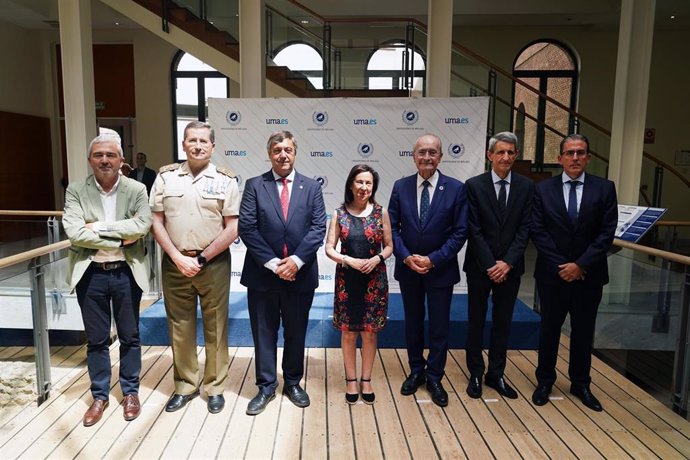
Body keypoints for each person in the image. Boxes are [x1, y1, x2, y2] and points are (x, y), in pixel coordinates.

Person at [150, 121, 240, 414]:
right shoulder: (166, 178)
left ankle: (214, 387)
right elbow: (156, 221)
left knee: (216, 326)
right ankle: (185, 386)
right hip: (175, 262)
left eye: (204, 141)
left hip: (212, 263)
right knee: (180, 325)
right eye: (192, 140)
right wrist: (177, 257)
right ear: (183, 144)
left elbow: (232, 227)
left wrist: (201, 259)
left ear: (213, 146)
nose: (198, 145)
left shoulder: (226, 180)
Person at [62, 131, 151, 427]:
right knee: (97, 341)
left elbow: (142, 225)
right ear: (90, 160)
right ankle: (99, 396)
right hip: (92, 276)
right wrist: (121, 237)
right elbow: (74, 232)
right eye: (98, 155)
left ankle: (130, 393)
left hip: (126, 272)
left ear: (121, 160)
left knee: (130, 337)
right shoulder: (76, 190)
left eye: (110, 155)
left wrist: (98, 228)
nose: (104, 160)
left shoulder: (137, 189)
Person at [239, 130, 326, 415]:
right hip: (263, 275)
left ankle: (292, 382)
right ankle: (265, 386)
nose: (283, 155)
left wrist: (296, 262)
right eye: (277, 150)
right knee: (263, 333)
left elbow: (317, 229)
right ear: (269, 154)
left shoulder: (311, 187)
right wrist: (276, 264)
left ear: (295, 153)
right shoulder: (255, 185)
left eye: (288, 149)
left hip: (300, 275)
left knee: (296, 331)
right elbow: (247, 229)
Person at [531, 133, 617, 412]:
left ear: (588, 157)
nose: (575, 158)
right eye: (570, 153)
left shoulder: (604, 189)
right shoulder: (543, 189)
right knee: (549, 329)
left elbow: (606, 232)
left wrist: (580, 265)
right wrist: (563, 266)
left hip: (588, 275)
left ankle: (580, 383)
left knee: (583, 331)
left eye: (580, 152)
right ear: (560, 158)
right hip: (552, 274)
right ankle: (545, 381)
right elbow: (538, 231)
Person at [388, 133, 468, 407]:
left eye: (432, 152)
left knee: (439, 326)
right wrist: (408, 257)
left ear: (440, 157)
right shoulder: (401, 187)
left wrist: (433, 259)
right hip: (409, 269)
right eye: (422, 152)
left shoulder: (456, 188)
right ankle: (416, 370)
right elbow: (393, 229)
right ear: (414, 156)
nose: (427, 157)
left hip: (440, 270)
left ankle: (435, 376)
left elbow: (460, 233)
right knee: (412, 323)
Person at [463, 132, 534, 400]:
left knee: (503, 322)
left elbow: (526, 227)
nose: (505, 157)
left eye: (511, 153)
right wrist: (492, 264)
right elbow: (473, 228)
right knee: (476, 321)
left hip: (511, 268)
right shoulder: (473, 185)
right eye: (500, 152)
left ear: (515, 156)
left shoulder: (527, 186)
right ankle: (475, 373)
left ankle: (496, 374)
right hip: (480, 267)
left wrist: (508, 262)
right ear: (489, 155)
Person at [325, 164, 393, 405]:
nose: (364, 187)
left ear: (373, 187)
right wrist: (348, 260)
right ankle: (351, 380)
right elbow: (329, 248)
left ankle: (366, 380)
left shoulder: (381, 212)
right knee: (349, 332)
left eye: (368, 183)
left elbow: (389, 246)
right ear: (351, 184)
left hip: (375, 280)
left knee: (370, 333)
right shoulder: (339, 213)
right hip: (347, 280)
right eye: (360, 182)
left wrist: (376, 259)